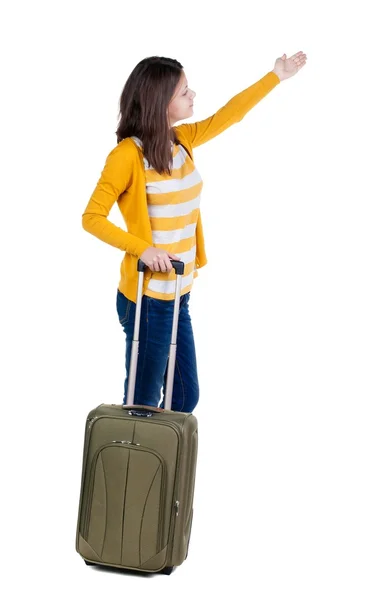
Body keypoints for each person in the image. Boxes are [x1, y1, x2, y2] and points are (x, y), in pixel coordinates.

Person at [82, 52, 307, 412]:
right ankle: (133, 465)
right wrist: (143, 249)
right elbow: (92, 217)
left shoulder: (182, 140)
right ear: (161, 100)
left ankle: (164, 465)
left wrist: (275, 76)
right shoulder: (127, 155)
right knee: (141, 404)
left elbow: (229, 115)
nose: (193, 96)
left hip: (179, 293)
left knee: (185, 395)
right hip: (149, 299)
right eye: (184, 91)